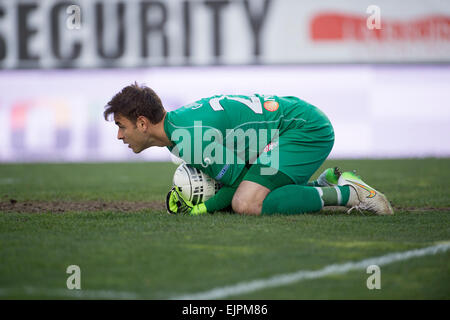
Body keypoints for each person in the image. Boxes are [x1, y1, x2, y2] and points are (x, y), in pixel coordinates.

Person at [104, 83, 394, 216]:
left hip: (304, 129)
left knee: (247, 203)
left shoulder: (190, 139)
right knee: (253, 191)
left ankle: (349, 192)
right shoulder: (182, 128)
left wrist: (203, 208)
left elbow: (238, 186)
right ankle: (324, 182)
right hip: (291, 124)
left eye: (121, 125)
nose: (119, 135)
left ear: (142, 123)